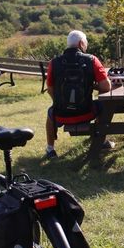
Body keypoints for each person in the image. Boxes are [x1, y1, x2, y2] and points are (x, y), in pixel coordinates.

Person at [45, 30, 112, 158]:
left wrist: (59, 103)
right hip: (87, 112)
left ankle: (50, 149)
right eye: (86, 43)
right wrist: (92, 85)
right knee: (102, 105)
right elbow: (106, 86)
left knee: (50, 113)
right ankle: (101, 140)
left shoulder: (54, 62)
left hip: (61, 115)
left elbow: (50, 89)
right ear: (81, 43)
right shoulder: (92, 60)